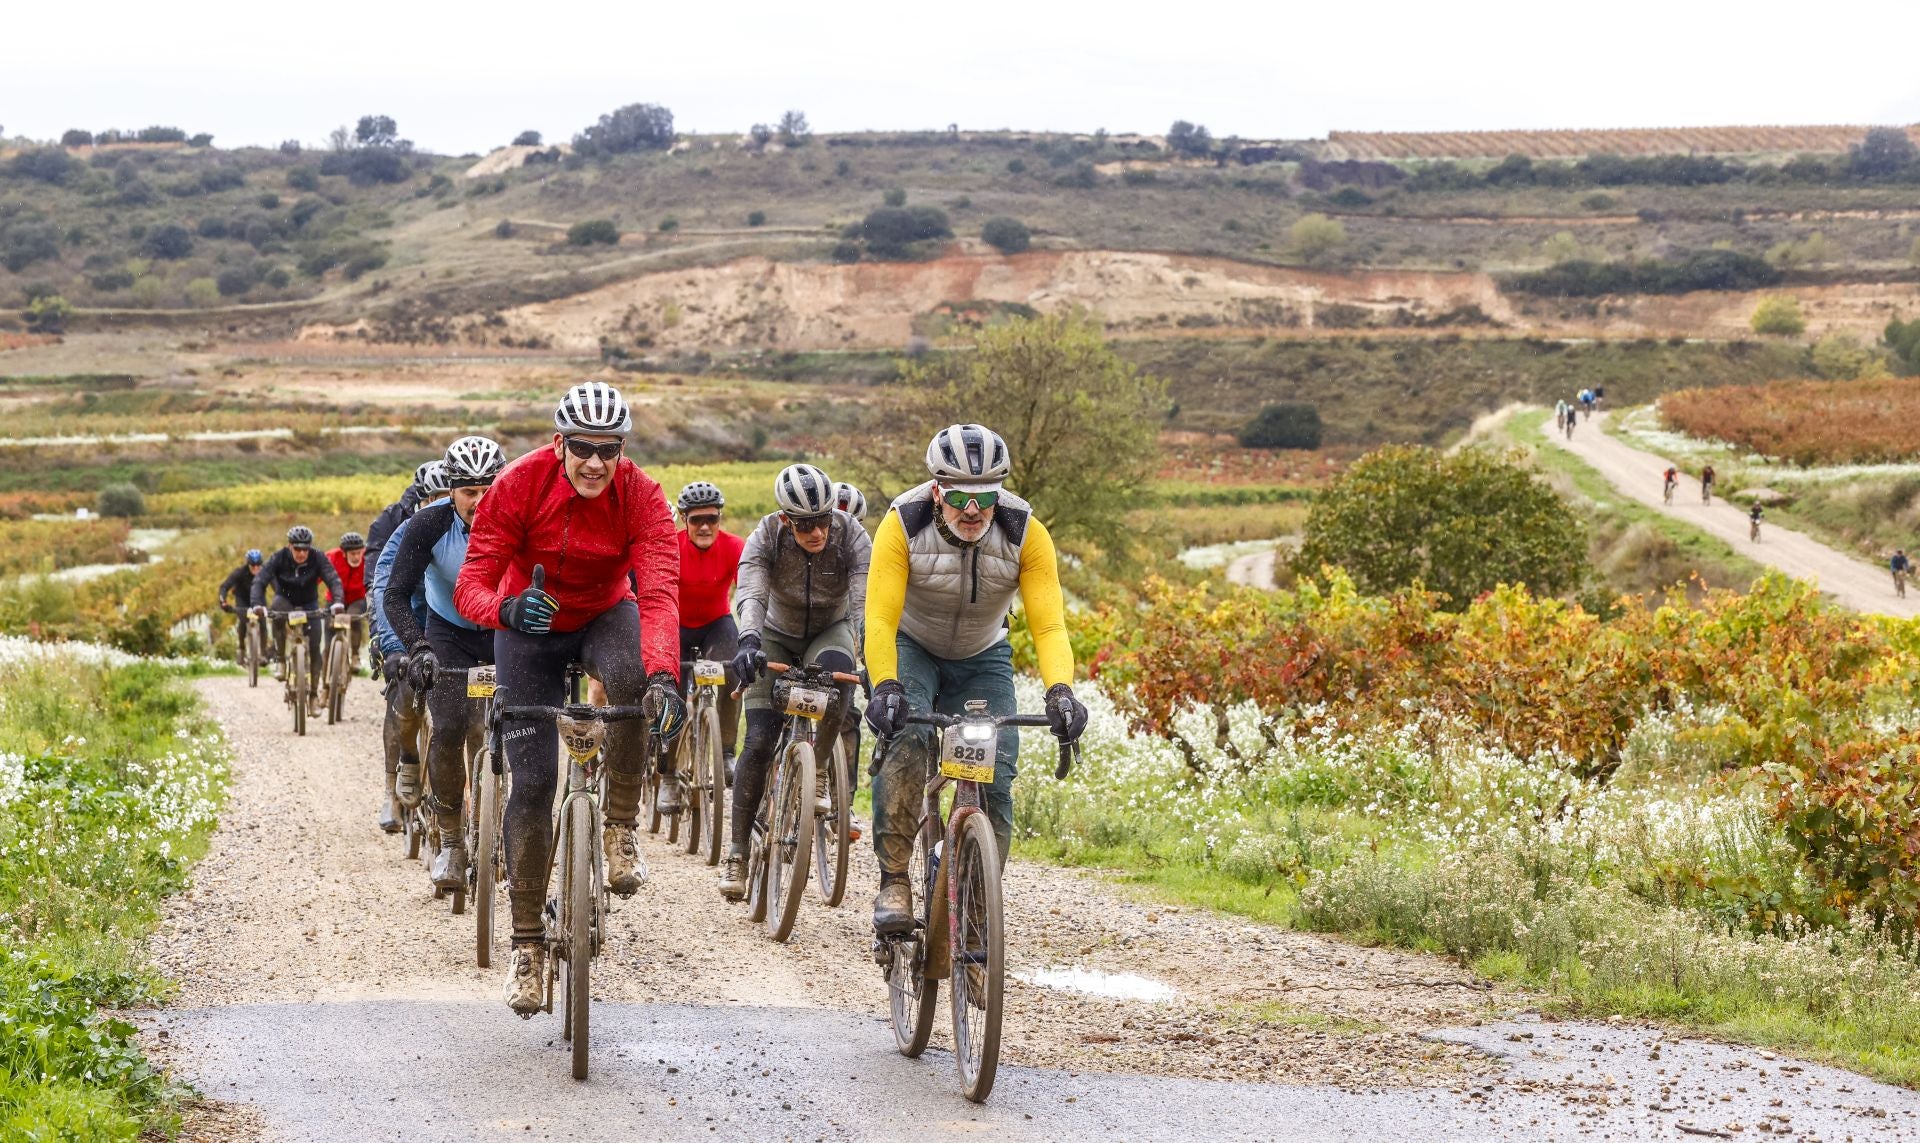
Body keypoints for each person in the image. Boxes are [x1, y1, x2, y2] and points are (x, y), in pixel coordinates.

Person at [453, 380, 685, 1016]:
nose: (593, 462)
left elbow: (661, 595)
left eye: (607, 450)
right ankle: (527, 945)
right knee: (531, 784)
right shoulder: (519, 485)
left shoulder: (641, 495)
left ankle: (617, 826)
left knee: (635, 683)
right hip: (528, 625)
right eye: (581, 447)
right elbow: (469, 586)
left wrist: (666, 672)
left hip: (605, 613)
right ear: (559, 444)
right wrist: (504, 609)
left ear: (621, 452)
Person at [863, 424, 1088, 934]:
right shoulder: (903, 523)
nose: (973, 510)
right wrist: (887, 687)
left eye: (985, 495)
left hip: (983, 651)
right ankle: (894, 879)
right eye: (960, 495)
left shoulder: (1025, 531)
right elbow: (877, 619)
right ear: (938, 491)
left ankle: (978, 902)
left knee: (1000, 770)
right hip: (909, 644)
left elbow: (1049, 623)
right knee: (908, 740)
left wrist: (1060, 692)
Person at [718, 464, 870, 900]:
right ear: (786, 519)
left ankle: (818, 769)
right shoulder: (766, 535)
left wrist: (875, 661)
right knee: (761, 740)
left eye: (823, 520)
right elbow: (750, 592)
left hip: (830, 627)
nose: (817, 532)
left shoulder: (852, 535)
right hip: (773, 630)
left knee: (841, 674)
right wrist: (748, 640)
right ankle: (737, 850)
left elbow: (862, 603)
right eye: (805, 525)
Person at [385, 436, 508, 892]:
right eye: (468, 491)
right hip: (448, 632)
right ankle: (453, 840)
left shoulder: (520, 521)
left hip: (504, 630)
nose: (479, 501)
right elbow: (396, 593)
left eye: (487, 489)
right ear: (451, 490)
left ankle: (515, 833)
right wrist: (418, 647)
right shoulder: (429, 524)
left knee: (520, 728)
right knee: (451, 725)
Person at [369, 464, 454, 831]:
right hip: (407, 626)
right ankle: (398, 777)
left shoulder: (466, 527)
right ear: (419, 501)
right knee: (403, 698)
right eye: (431, 499)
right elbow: (385, 585)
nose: (438, 505)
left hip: (449, 627)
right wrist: (391, 645)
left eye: (444, 497)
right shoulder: (400, 529)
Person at [675, 481, 745, 782]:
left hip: (716, 624)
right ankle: (666, 774)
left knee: (733, 671)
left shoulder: (735, 547)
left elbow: (749, 593)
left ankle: (727, 751)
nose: (705, 527)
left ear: (720, 519)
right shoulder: (671, 546)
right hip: (675, 625)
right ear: (683, 520)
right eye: (697, 520)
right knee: (670, 692)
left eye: (712, 519)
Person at [250, 525, 346, 715]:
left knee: (315, 648)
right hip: (285, 600)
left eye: (305, 549)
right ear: (289, 546)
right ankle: (281, 659)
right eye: (297, 549)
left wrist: (337, 602)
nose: (301, 553)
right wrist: (257, 604)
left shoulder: (318, 557)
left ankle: (312, 696)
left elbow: (333, 579)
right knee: (276, 611)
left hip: (309, 604)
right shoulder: (279, 557)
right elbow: (260, 580)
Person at [325, 532, 370, 671]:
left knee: (353, 618)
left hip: (357, 598)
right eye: (353, 554)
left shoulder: (368, 558)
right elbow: (319, 575)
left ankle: (355, 655)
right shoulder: (332, 557)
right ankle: (328, 660)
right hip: (334, 599)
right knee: (329, 626)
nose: (357, 557)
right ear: (344, 553)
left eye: (359, 553)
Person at [217, 548, 264, 664]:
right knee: (243, 620)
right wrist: (223, 601)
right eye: (253, 565)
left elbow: (276, 587)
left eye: (258, 565)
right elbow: (224, 587)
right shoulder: (239, 572)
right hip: (242, 599)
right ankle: (242, 648)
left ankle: (263, 652)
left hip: (258, 599)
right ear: (248, 564)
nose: (256, 568)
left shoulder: (265, 573)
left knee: (263, 622)